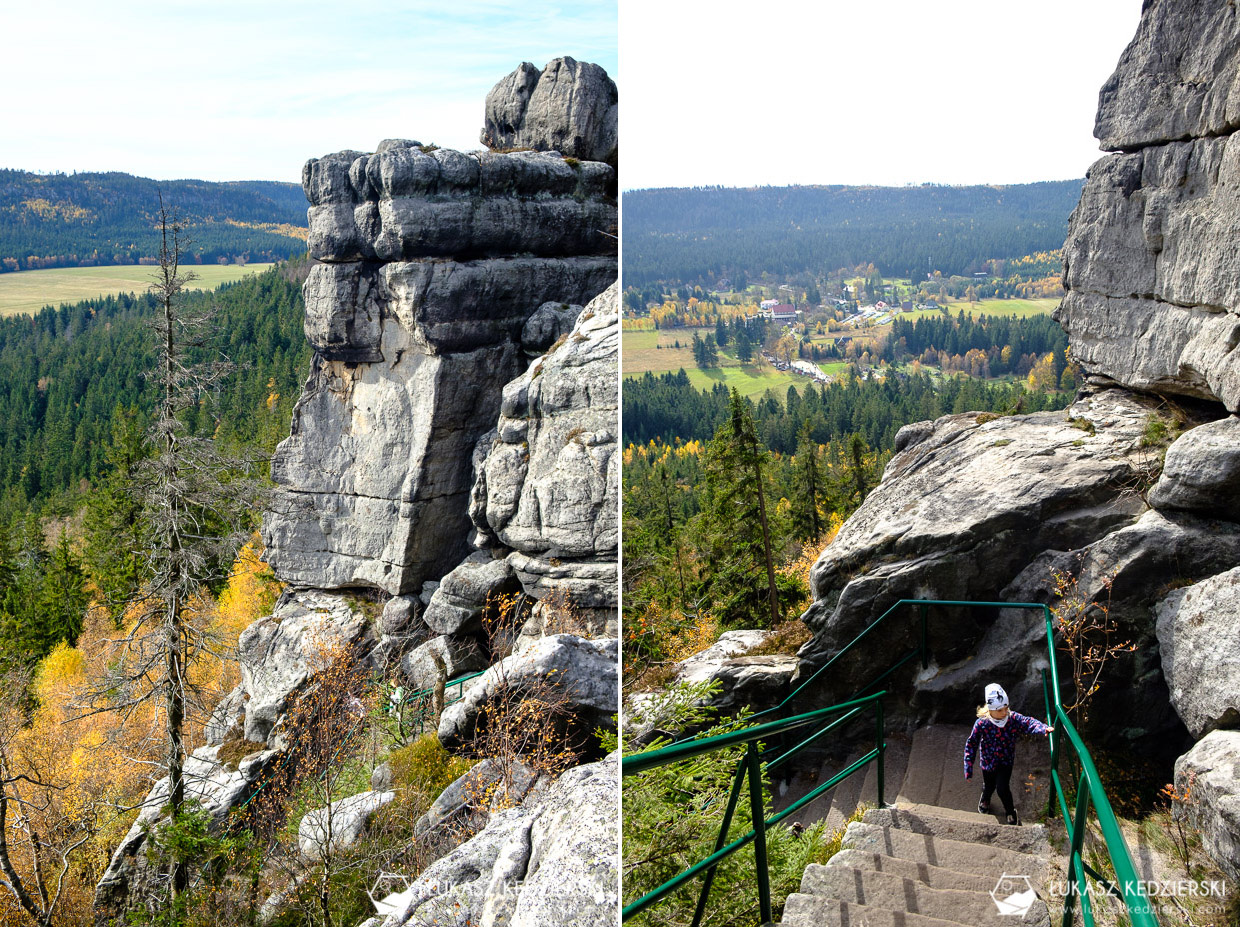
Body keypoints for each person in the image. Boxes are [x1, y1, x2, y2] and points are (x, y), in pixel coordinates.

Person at [963, 683, 1053, 825]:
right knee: (989, 785)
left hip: (1005, 762)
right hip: (988, 762)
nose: (1004, 712)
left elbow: (1028, 722)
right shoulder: (982, 724)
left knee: (1002, 788)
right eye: (1000, 710)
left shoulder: (1012, 719)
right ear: (990, 710)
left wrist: (1042, 728)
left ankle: (1010, 811)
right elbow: (972, 744)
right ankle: (985, 799)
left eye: (1006, 708)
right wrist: (968, 767)